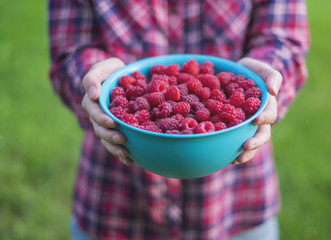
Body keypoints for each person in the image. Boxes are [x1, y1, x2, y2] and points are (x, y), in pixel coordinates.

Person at [48, 0, 309, 239]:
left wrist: (267, 82)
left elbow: (284, 39)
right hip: (116, 200)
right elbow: (70, 51)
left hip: (235, 202)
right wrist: (94, 82)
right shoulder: (153, 98)